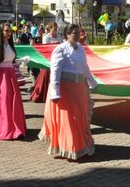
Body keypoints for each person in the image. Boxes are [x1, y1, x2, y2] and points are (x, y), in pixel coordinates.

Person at [38, 24, 97, 160]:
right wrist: (55, 92)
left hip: (80, 89)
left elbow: (85, 67)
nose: (77, 35)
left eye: (78, 33)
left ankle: (81, 145)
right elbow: (55, 72)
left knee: (81, 119)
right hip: (66, 90)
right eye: (74, 33)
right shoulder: (60, 49)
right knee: (70, 120)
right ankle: (70, 147)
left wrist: (91, 81)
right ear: (67, 34)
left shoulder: (80, 49)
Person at [0, 23, 30, 140]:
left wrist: (22, 60)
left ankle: (14, 127)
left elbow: (11, 61)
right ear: (1, 31)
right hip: (0, 75)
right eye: (6, 31)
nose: (8, 33)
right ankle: (2, 128)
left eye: (10, 31)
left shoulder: (9, 44)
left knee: (12, 100)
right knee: (3, 101)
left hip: (10, 75)